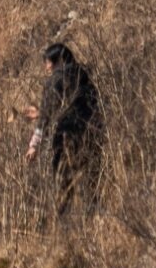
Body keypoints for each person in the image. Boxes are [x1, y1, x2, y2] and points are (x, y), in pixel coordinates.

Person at [26, 40, 103, 203]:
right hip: (92, 134)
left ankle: (65, 224)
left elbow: (49, 115)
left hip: (66, 138)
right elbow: (82, 105)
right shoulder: (84, 75)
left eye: (48, 62)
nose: (47, 67)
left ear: (58, 61)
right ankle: (94, 220)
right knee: (91, 184)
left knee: (64, 186)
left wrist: (34, 144)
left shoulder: (55, 80)